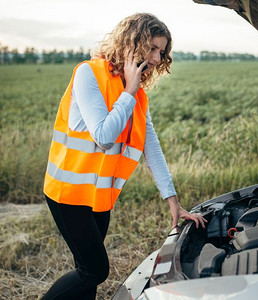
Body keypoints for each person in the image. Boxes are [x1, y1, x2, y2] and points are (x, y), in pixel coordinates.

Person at [42, 13, 206, 300]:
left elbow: (150, 146)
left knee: (86, 273)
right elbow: (104, 137)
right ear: (134, 42)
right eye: (153, 48)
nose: (157, 58)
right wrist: (129, 90)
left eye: (162, 51)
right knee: (94, 271)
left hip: (99, 196)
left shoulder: (137, 95)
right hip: (68, 193)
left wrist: (173, 202)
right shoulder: (88, 74)